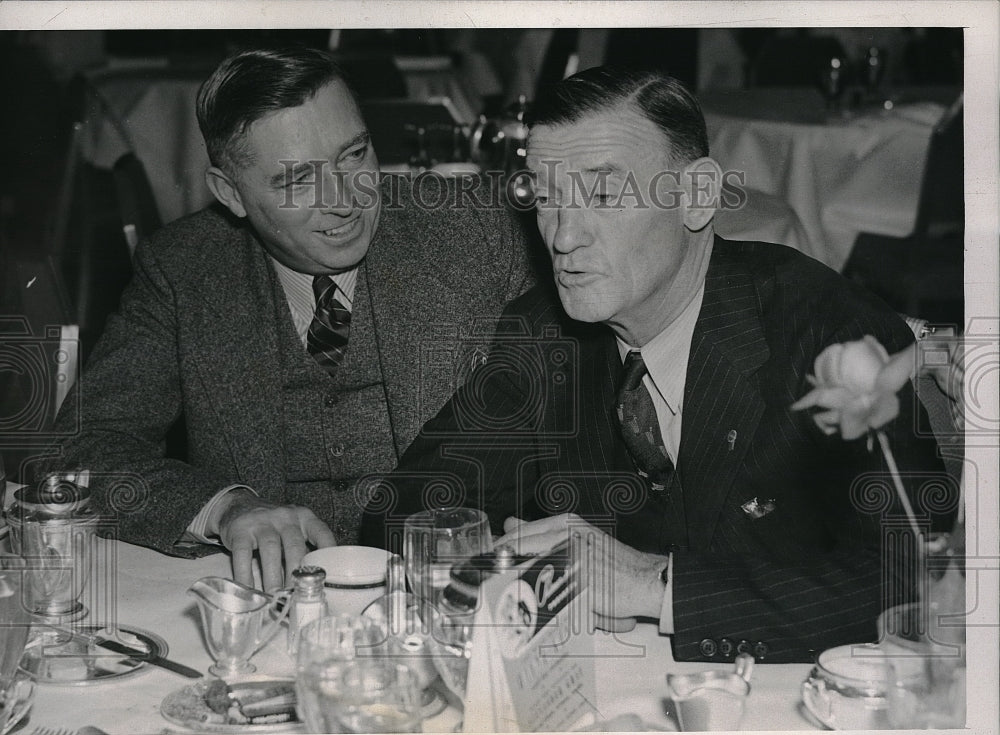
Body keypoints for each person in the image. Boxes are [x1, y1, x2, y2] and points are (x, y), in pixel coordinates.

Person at [360, 67, 956, 663]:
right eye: (545, 198)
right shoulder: (544, 334)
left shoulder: (828, 335)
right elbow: (403, 514)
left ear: (697, 197)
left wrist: (654, 584)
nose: (563, 236)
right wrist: (514, 560)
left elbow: (915, 578)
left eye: (604, 194)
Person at [41, 47, 534, 591]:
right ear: (230, 193)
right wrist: (226, 509)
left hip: (454, 597)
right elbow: (78, 452)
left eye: (354, 154)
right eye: (298, 181)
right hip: (274, 607)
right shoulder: (184, 269)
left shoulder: (478, 230)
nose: (345, 200)